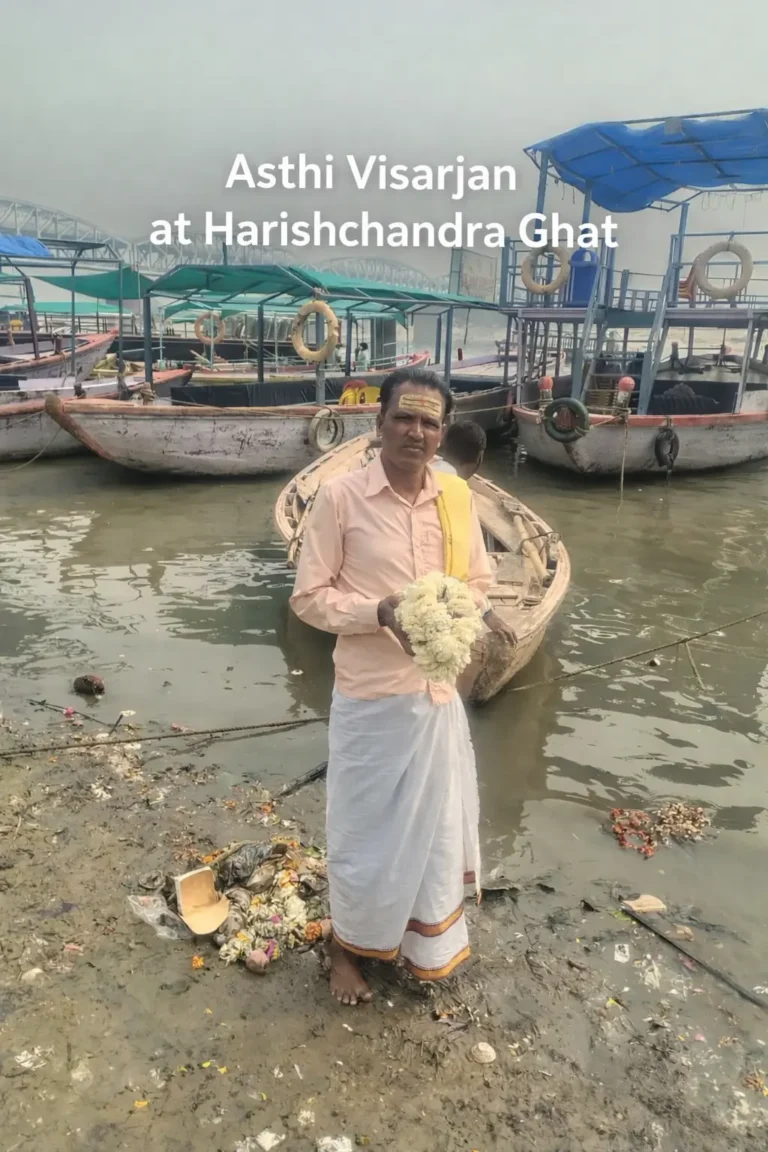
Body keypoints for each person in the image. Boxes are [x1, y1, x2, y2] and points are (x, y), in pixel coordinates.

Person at [290, 367, 517, 1006]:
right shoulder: (340, 499)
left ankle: (419, 943)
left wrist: (454, 606)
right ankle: (345, 949)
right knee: (364, 835)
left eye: (429, 421)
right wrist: (378, 613)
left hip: (436, 695)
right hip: (370, 697)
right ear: (378, 421)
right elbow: (308, 598)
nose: (415, 431)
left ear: (443, 432)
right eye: (404, 417)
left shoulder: (455, 497)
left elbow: (476, 580)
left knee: (432, 831)